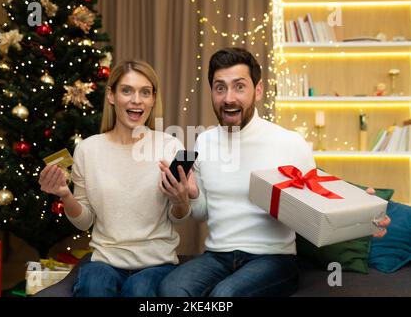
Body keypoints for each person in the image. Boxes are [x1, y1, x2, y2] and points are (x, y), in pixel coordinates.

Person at [158, 47, 390, 297]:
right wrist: (190, 194)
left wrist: (360, 213)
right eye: (220, 87)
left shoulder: (289, 142)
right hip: (218, 255)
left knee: (225, 296)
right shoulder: (204, 142)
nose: (228, 98)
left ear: (258, 90)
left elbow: (318, 202)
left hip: (273, 259)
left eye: (239, 86)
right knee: (171, 290)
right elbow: (203, 213)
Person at [38, 59, 191, 297]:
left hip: (156, 264)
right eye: (127, 90)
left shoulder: (169, 146)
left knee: (138, 290)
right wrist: (65, 195)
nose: (136, 100)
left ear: (152, 99)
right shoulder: (88, 150)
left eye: (145, 92)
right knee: (95, 285)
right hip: (105, 261)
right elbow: (84, 221)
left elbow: (178, 217)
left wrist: (181, 200)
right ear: (111, 95)